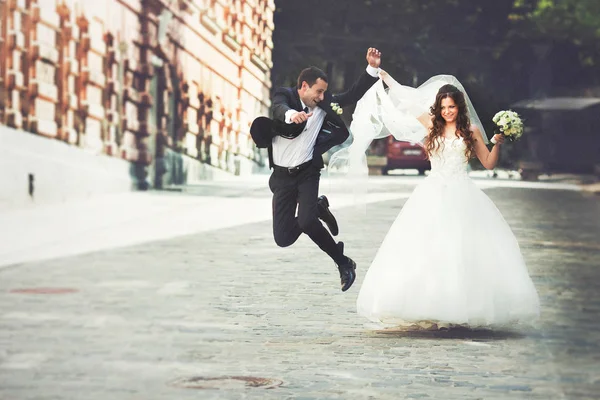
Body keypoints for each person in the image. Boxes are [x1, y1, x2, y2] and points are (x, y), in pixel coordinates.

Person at [338, 70, 540, 328]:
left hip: (462, 194)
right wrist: (383, 75)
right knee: (427, 247)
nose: (447, 111)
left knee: (461, 249)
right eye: (443, 107)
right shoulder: (432, 127)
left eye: (451, 106)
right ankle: (429, 305)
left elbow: (488, 163)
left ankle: (462, 307)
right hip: (432, 192)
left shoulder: (472, 131)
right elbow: (406, 99)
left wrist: (497, 143)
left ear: (459, 107)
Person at [264, 48, 382, 292]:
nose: (322, 96)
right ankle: (318, 207)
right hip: (283, 178)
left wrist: (371, 68)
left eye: (324, 92)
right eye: (318, 91)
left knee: (307, 222)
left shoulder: (324, 103)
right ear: (304, 87)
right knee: (283, 238)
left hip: (307, 172)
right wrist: (291, 115)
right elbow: (278, 108)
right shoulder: (285, 95)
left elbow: (351, 95)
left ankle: (343, 263)